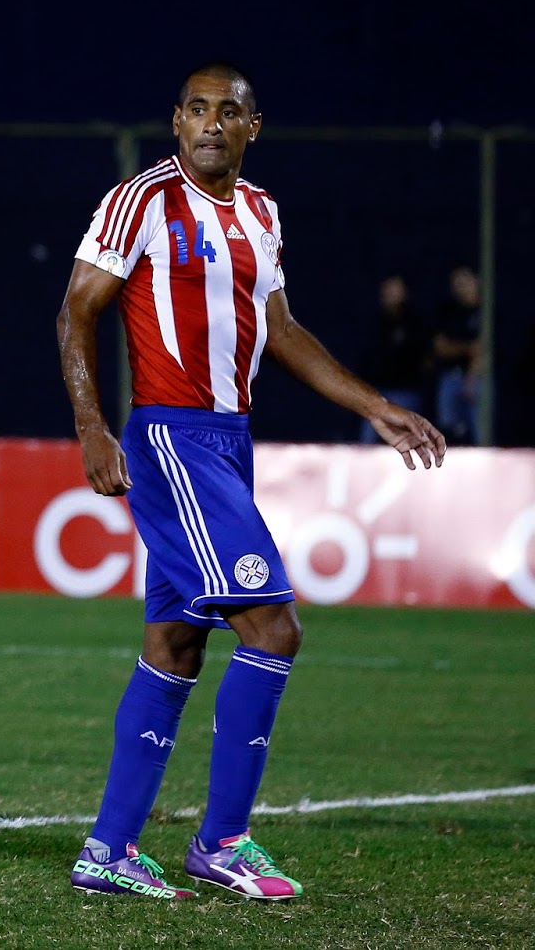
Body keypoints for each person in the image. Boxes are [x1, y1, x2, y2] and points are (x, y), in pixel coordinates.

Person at [56, 65, 445, 900]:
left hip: (229, 443)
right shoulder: (141, 201)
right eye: (196, 110)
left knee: (176, 644)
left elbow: (280, 329)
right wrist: (91, 424)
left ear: (252, 127)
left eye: (227, 111)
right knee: (273, 628)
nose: (209, 123)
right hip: (171, 437)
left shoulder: (261, 214)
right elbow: (77, 308)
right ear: (175, 121)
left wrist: (376, 406)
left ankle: (109, 852)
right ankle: (222, 840)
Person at [358, 274, 432, 444]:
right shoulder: (376, 323)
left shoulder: (415, 323)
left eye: (394, 289)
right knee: (365, 442)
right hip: (377, 393)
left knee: (407, 440)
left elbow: (425, 359)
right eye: (387, 289)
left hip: (407, 393)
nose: (390, 293)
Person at [433, 265, 482, 444]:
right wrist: (467, 348)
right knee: (448, 431)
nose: (460, 286)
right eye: (456, 282)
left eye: (465, 281)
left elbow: (483, 349)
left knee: (479, 431)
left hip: (478, 379)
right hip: (450, 377)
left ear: (476, 281)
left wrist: (471, 376)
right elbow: (440, 347)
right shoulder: (448, 311)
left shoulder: (486, 310)